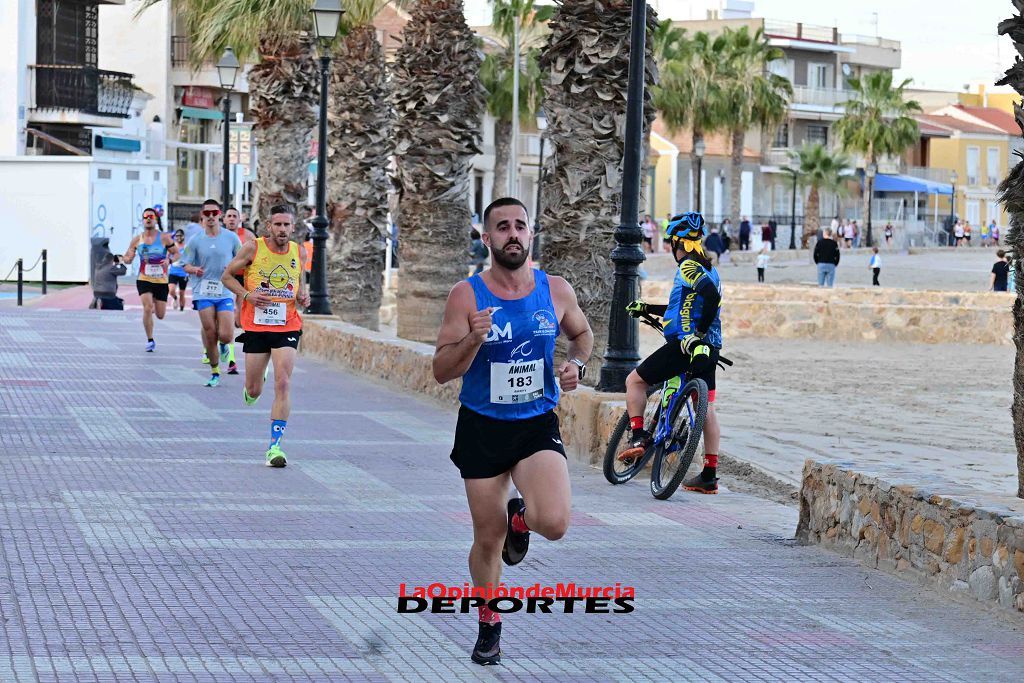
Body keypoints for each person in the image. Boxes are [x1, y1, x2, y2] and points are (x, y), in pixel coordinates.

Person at [432, 197, 592, 666]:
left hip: (535, 423)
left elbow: (582, 335)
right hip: (482, 426)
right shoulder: (466, 295)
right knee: (486, 538)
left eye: (520, 225)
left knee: (556, 523)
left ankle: (519, 520)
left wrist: (576, 364)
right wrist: (473, 339)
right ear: (487, 239)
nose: (513, 234)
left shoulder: (555, 289)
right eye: (502, 227)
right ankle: (489, 623)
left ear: (531, 233)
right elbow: (441, 370)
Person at [616, 212, 723, 496]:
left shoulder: (689, 267)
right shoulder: (709, 268)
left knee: (635, 382)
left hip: (685, 345)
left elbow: (711, 296)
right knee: (708, 407)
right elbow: (687, 306)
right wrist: (648, 308)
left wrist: (695, 336)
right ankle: (710, 474)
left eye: (671, 243)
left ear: (680, 242)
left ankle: (638, 435)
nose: (670, 249)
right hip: (710, 349)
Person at [222, 204, 310, 467]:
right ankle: (257, 377)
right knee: (253, 390)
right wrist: (247, 295)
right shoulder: (253, 247)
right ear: (269, 226)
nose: (282, 230)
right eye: (277, 224)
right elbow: (226, 277)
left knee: (283, 383)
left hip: (288, 325)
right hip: (257, 327)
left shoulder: (299, 251)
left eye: (287, 225)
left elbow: (299, 288)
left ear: (293, 227)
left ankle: (275, 447)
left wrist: (303, 297)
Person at [183, 199, 242, 388]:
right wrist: (194, 270)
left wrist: (232, 267)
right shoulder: (196, 240)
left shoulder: (231, 238)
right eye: (206, 214)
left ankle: (225, 346)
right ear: (202, 216)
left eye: (214, 213)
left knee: (225, 334)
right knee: (210, 332)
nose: (210, 217)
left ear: (220, 215)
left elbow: (242, 259)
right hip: (203, 291)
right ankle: (215, 372)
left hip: (224, 289)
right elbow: (185, 264)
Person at [123, 208, 179, 352]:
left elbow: (177, 254)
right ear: (142, 220)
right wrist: (127, 259)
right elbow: (128, 257)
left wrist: (169, 261)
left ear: (155, 220)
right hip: (144, 279)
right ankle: (150, 340)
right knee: (147, 308)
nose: (148, 219)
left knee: (160, 315)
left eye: (151, 216)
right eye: (145, 217)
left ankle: (153, 305)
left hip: (161, 282)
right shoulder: (137, 240)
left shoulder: (164, 238)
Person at [167, 229, 189, 311]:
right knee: (171, 290)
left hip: (183, 273)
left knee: (182, 293)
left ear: (183, 236)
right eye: (177, 236)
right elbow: (167, 256)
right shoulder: (172, 246)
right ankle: (175, 298)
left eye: (180, 235)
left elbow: (190, 258)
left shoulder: (186, 247)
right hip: (173, 271)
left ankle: (182, 309)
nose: (178, 237)